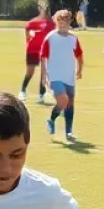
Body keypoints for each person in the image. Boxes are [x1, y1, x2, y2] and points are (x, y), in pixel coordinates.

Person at [40, 9, 83, 143]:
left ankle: (69, 132)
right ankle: (52, 120)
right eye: (60, 20)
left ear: (70, 21)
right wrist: (44, 76)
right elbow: (43, 57)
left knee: (70, 104)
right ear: (56, 21)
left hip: (69, 76)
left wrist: (79, 69)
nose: (63, 23)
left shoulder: (73, 38)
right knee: (63, 100)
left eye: (66, 20)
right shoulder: (50, 37)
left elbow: (79, 55)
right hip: (55, 76)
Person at [19, 10, 54, 104]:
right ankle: (22, 91)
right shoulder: (34, 21)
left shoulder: (52, 24)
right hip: (32, 50)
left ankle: (41, 95)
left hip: (45, 52)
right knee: (30, 72)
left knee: (44, 75)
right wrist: (28, 38)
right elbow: (27, 28)